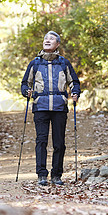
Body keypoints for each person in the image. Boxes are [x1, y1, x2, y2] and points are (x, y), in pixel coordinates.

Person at [21, 31, 81, 186]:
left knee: (59, 142)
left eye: (51, 39)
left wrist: (75, 92)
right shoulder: (35, 63)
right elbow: (25, 83)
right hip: (40, 106)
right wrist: (25, 92)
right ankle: (41, 175)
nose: (47, 40)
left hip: (59, 107)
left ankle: (56, 175)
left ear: (57, 44)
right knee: (41, 141)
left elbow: (74, 81)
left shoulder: (63, 63)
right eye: (45, 38)